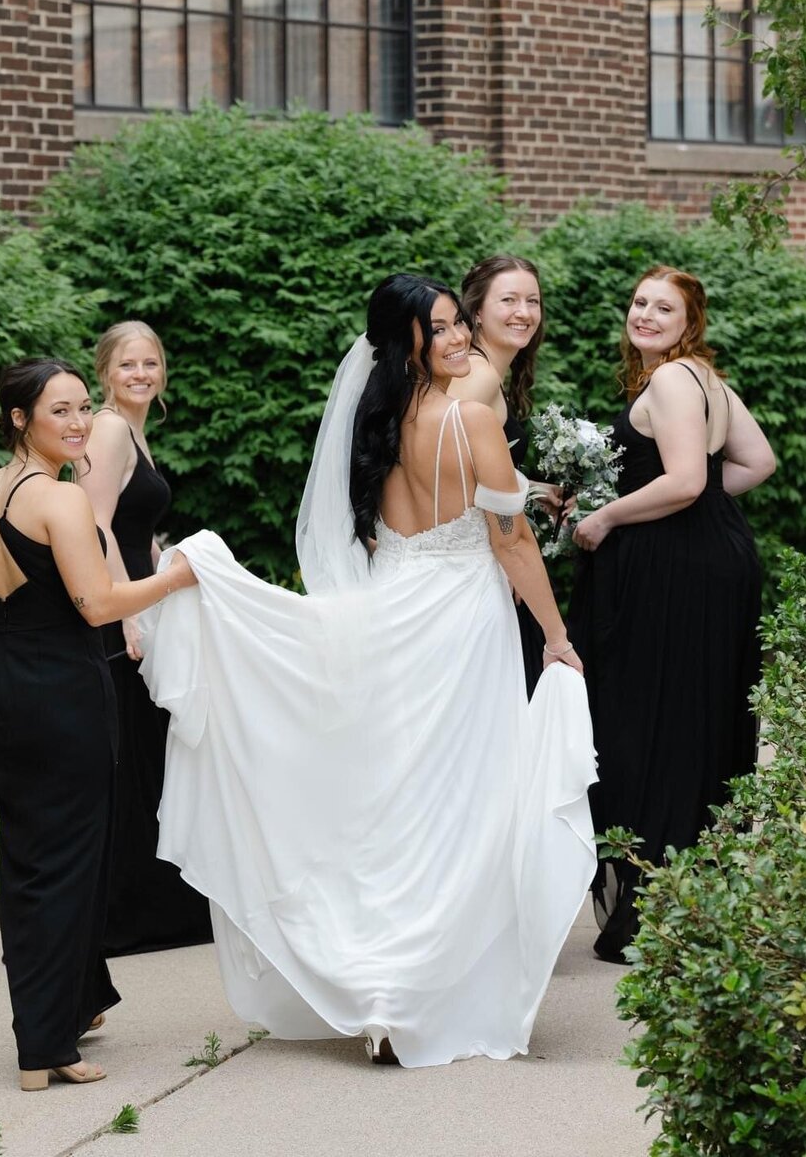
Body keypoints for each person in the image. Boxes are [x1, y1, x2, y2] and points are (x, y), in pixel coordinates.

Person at [136, 274, 597, 1067]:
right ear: (411, 340)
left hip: (394, 609)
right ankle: (419, 992)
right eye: (445, 329)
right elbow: (510, 541)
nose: (461, 340)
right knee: (458, 805)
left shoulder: (377, 419)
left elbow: (381, 531)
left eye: (461, 325)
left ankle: (380, 987)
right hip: (461, 623)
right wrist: (555, 635)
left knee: (395, 801)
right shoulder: (472, 418)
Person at [0, 358, 197, 1091]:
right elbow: (99, 605)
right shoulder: (59, 502)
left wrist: (13, 680)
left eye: (82, 407)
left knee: (29, 862)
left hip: (5, 687)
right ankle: (46, 1045)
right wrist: (182, 575)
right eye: (58, 410)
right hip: (65, 691)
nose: (77, 421)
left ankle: (56, 1020)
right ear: (19, 419)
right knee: (69, 864)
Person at [567, 267, 775, 962]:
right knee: (694, 718)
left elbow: (685, 481)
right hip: (716, 563)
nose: (647, 315)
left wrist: (607, 517)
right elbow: (755, 462)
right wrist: (704, 509)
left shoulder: (670, 380)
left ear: (690, 323)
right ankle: (687, 898)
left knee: (648, 721)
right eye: (640, 302)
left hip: (678, 575)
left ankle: (653, 907)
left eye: (665, 308)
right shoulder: (706, 380)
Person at [81, 322, 212, 956]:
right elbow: (95, 523)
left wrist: (166, 565)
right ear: (106, 371)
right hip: (115, 607)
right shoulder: (107, 429)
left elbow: (134, 527)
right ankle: (129, 915)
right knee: (130, 754)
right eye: (128, 364)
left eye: (151, 363)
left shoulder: (135, 431)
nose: (141, 374)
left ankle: (156, 905)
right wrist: (125, 612)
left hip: (137, 594)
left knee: (146, 748)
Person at [450, 254, 559, 695]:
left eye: (532, 301)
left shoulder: (485, 371)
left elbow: (473, 468)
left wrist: (531, 488)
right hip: (481, 564)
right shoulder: (478, 376)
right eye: (509, 300)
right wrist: (507, 555)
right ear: (476, 311)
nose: (524, 312)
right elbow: (439, 468)